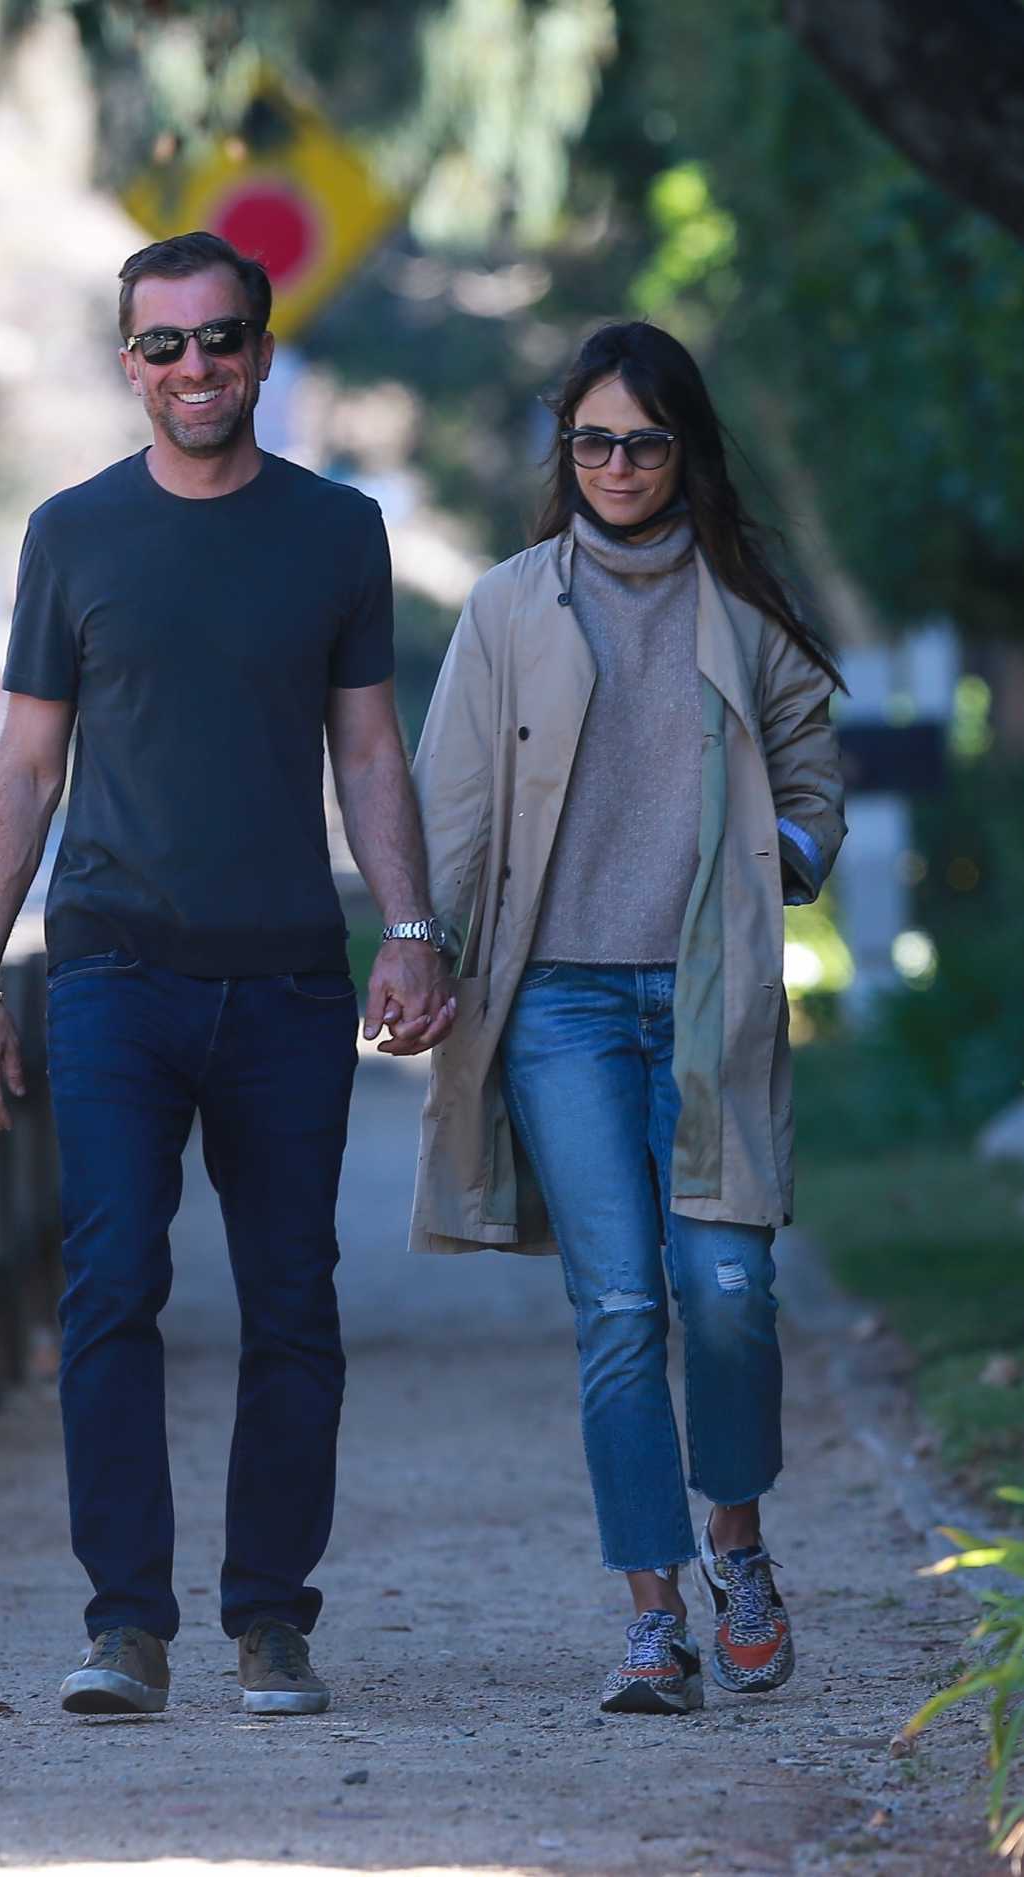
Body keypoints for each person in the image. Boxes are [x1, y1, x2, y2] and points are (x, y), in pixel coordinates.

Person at [0, 231, 454, 1719]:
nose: (193, 368)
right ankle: (124, 1624)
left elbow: (366, 747)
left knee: (295, 1299)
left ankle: (268, 1621)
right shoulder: (71, 535)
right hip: (111, 971)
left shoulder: (335, 531)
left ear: (260, 352)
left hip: (289, 982)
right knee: (110, 1289)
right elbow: (27, 764)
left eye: (218, 340)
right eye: (162, 346)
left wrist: (409, 930)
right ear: (128, 367)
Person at [408, 320, 845, 1716]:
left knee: (725, 1293)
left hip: (709, 994)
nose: (612, 464)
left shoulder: (747, 614)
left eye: (640, 442)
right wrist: (419, 945)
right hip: (557, 1004)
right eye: (588, 441)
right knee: (613, 1306)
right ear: (565, 452)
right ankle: (650, 1614)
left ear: (682, 452)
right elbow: (452, 809)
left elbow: (812, 788)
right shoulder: (508, 607)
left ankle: (740, 1547)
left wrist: (773, 863)